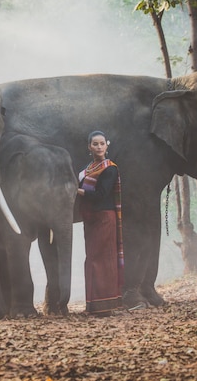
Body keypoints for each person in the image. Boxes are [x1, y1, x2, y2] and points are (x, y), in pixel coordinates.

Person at [77, 130, 124, 316]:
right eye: (95, 144)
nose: (98, 147)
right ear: (89, 147)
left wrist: (78, 192)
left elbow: (101, 194)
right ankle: (94, 305)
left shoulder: (110, 168)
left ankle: (106, 306)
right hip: (91, 218)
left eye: (102, 143)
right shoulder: (87, 169)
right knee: (92, 258)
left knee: (103, 260)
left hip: (104, 217)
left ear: (107, 145)